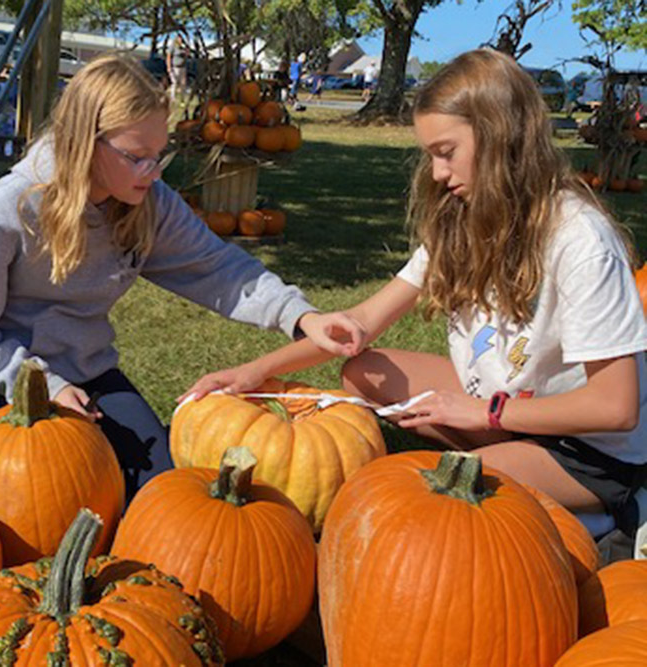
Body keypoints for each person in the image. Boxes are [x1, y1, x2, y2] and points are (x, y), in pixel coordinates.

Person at [181, 49, 647, 554]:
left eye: (446, 151)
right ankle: (518, 463)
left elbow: (614, 407)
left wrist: (485, 413)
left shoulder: (580, 239)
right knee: (365, 371)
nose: (438, 173)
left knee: (427, 494)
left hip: (586, 449)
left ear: (501, 137)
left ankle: (604, 508)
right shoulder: (467, 217)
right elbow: (359, 325)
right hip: (507, 405)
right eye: (430, 154)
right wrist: (254, 372)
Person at [0, 53, 329, 501]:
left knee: (157, 492)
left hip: (90, 372)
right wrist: (49, 386)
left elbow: (217, 269)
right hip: (8, 381)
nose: (154, 171)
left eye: (159, 155)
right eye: (137, 157)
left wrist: (300, 317)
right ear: (85, 142)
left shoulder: (148, 202)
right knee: (54, 498)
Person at [166, 34, 188, 105]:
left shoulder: (183, 47)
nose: (180, 40)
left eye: (181, 39)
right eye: (179, 38)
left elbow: (187, 55)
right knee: (174, 83)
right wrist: (169, 67)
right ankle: (173, 98)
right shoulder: (173, 46)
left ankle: (182, 99)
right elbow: (169, 56)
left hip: (183, 67)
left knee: (183, 84)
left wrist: (186, 51)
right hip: (175, 67)